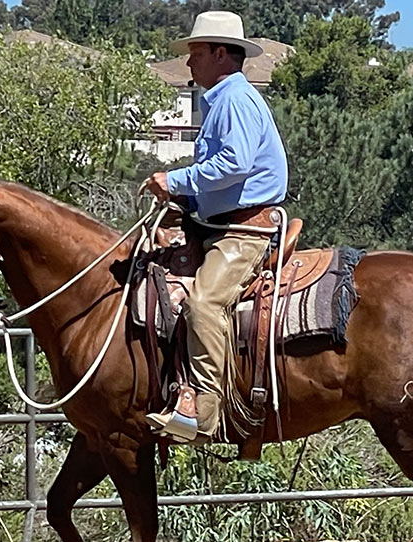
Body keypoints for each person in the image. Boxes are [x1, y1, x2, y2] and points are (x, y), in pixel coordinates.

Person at [144, 11, 289, 443]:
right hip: (220, 221)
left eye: (196, 53)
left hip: (245, 230)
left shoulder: (234, 100)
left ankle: (204, 415)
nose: (189, 64)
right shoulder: (225, 99)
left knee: (204, 302)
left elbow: (234, 164)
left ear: (220, 54)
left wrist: (176, 181)